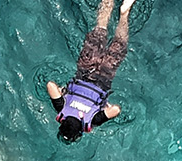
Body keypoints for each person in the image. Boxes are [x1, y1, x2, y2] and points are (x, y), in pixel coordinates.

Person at [47, 0, 138, 143]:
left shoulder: (92, 120)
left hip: (103, 79)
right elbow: (50, 85)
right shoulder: (62, 109)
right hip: (85, 70)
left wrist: (105, 108)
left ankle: (124, 13)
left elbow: (116, 110)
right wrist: (62, 91)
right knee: (100, 30)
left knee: (119, 44)